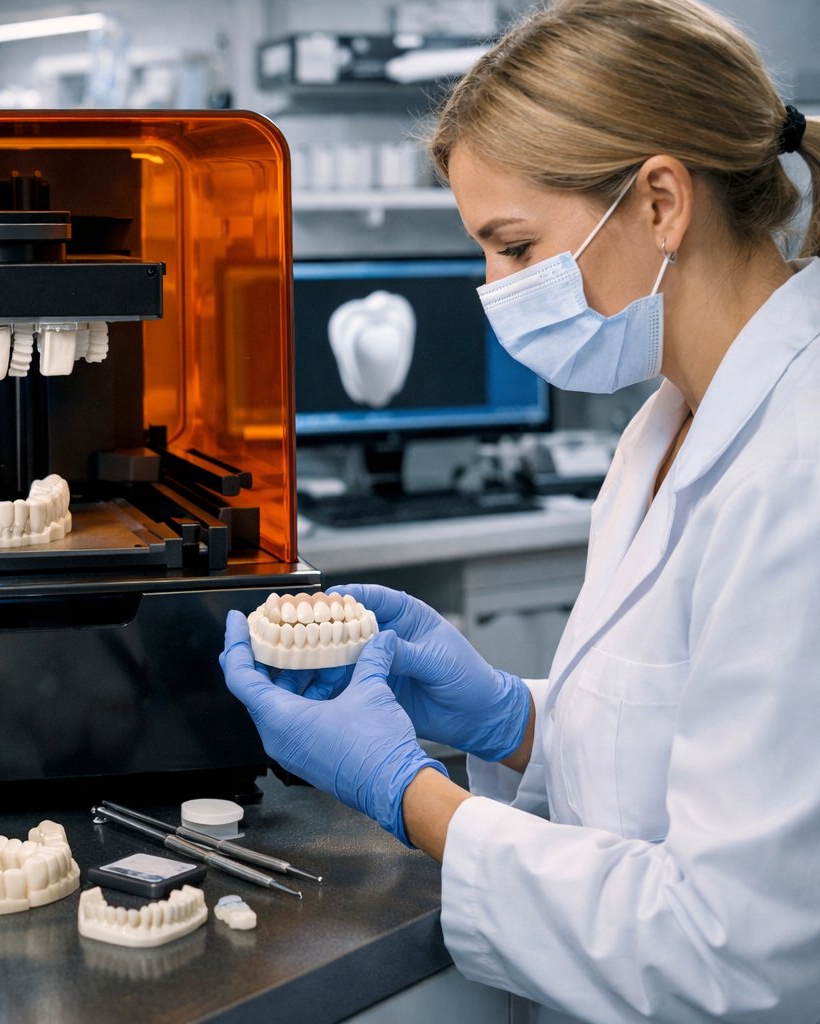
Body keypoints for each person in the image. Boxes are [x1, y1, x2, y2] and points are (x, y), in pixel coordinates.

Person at [221, 0, 820, 1020]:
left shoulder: (798, 464)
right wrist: (516, 719)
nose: (491, 289)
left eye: (513, 245)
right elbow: (674, 760)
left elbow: (735, 946)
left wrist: (414, 796)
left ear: (662, 203)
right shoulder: (665, 424)